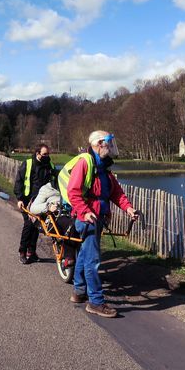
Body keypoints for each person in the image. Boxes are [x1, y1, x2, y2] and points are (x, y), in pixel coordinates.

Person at [61, 130, 137, 318]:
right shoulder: (85, 163)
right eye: (108, 144)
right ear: (98, 144)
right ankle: (95, 302)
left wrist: (128, 208)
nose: (111, 147)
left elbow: (116, 193)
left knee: (85, 255)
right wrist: (85, 212)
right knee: (93, 260)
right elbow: (73, 192)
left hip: (97, 218)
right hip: (86, 219)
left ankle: (79, 292)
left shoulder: (103, 167)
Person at [13, 144, 56, 264]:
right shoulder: (28, 164)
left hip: (41, 201)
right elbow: (19, 181)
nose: (47, 156)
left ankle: (31, 252)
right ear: (38, 154)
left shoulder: (49, 164)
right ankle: (22, 251)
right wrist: (19, 198)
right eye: (44, 154)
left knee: (36, 226)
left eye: (48, 154)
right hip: (27, 200)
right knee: (29, 224)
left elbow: (56, 177)